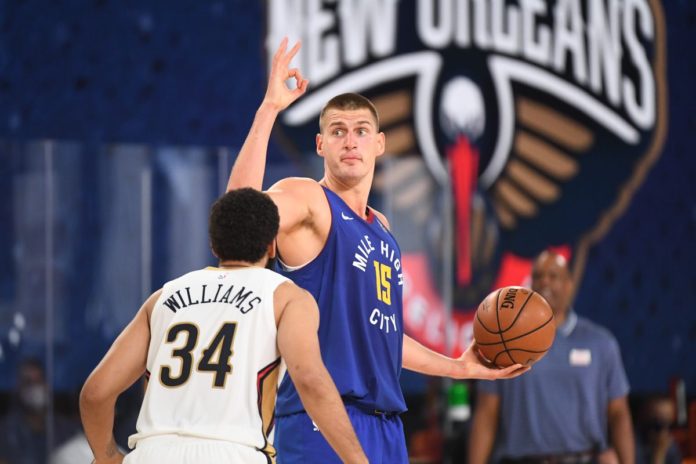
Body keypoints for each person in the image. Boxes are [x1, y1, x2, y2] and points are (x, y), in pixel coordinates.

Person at [227, 38, 529, 463]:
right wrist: (269, 110)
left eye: (360, 132)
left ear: (380, 144)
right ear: (320, 146)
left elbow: (383, 336)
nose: (350, 141)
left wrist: (458, 367)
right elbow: (237, 215)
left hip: (387, 427)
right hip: (321, 421)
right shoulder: (310, 202)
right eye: (337, 132)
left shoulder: (383, 230)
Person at [79, 188, 368, 464]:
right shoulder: (286, 296)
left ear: (213, 245)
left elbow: (96, 393)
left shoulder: (163, 297)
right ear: (272, 244)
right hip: (233, 452)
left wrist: (106, 456)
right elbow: (310, 380)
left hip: (150, 451)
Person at [468, 250, 635, 464]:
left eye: (553, 275)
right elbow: (486, 414)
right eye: (538, 276)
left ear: (569, 284)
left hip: (585, 458)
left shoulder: (601, 343)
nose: (544, 281)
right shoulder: (504, 343)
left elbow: (619, 414)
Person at [0, 358, 79, 464]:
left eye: (39, 381)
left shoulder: (66, 430)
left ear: (47, 385)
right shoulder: (5, 433)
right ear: (18, 388)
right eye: (28, 382)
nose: (35, 388)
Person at [634, 395, 682, 464]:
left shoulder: (671, 447)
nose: (663, 431)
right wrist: (658, 455)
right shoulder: (633, 446)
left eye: (669, 425)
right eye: (658, 425)